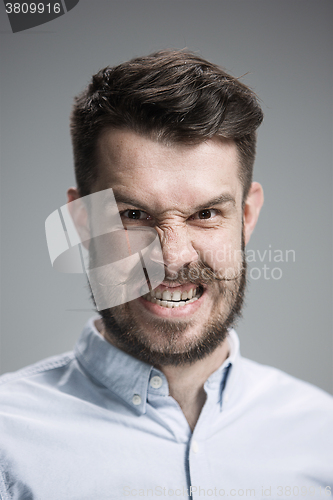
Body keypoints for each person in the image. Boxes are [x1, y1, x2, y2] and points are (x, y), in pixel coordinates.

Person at [0, 50, 332, 500]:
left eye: (206, 214)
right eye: (133, 214)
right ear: (83, 222)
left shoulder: (322, 436)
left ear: (247, 215)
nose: (172, 259)